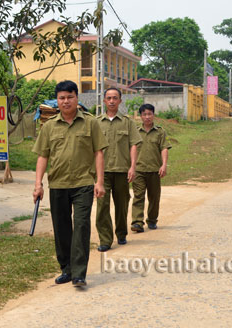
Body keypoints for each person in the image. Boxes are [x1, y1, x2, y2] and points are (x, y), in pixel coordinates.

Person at [32, 80, 107, 287]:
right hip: (58, 184)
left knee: (81, 226)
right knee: (62, 228)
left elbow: (98, 152)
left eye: (70, 97)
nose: (66, 101)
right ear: (57, 101)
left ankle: (79, 273)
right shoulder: (49, 127)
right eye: (62, 98)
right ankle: (66, 269)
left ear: (77, 98)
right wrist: (38, 184)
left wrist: (99, 182)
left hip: (83, 182)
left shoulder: (91, 123)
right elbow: (42, 157)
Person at [96, 87, 142, 252]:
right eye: (109, 98)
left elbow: (134, 145)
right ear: (104, 101)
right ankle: (105, 239)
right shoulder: (96, 122)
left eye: (115, 98)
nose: (112, 101)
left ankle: (121, 233)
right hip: (102, 173)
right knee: (102, 206)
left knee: (122, 205)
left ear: (120, 101)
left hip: (122, 170)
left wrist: (133, 167)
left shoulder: (128, 122)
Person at [131, 104, 171, 232]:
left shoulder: (160, 132)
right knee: (138, 196)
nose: (147, 117)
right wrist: (131, 167)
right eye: (144, 114)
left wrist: (164, 165)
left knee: (154, 197)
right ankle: (137, 222)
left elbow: (164, 148)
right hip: (139, 170)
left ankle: (152, 220)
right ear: (140, 116)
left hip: (155, 170)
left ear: (153, 115)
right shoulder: (135, 132)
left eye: (149, 114)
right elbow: (131, 150)